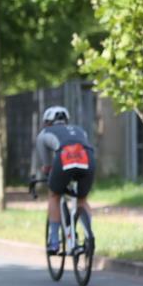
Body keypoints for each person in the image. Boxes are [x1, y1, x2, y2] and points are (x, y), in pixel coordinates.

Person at [33, 105, 96, 253]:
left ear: (47, 122)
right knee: (82, 199)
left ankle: (54, 242)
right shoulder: (80, 130)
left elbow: (47, 166)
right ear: (66, 120)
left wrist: (49, 173)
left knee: (54, 195)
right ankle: (89, 235)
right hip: (88, 158)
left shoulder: (44, 133)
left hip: (64, 159)